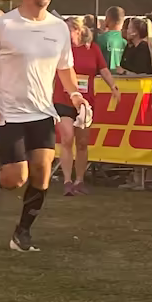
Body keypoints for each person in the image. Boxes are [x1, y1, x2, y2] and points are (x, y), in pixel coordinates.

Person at [0, 0, 88, 253]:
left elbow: (65, 67)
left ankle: (22, 233)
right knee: (17, 178)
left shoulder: (58, 27)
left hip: (42, 111)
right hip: (8, 111)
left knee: (43, 173)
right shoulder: (4, 25)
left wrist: (75, 95)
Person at [55, 16, 119, 196]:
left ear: (78, 30)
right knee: (67, 138)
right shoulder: (59, 50)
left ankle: (79, 180)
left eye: (67, 29)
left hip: (86, 102)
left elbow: (103, 69)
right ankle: (67, 180)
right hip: (62, 99)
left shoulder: (93, 49)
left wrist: (113, 86)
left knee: (82, 143)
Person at [96, 6, 127, 71]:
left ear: (108, 18)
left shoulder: (101, 39)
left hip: (105, 78)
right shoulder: (128, 40)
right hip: (125, 79)